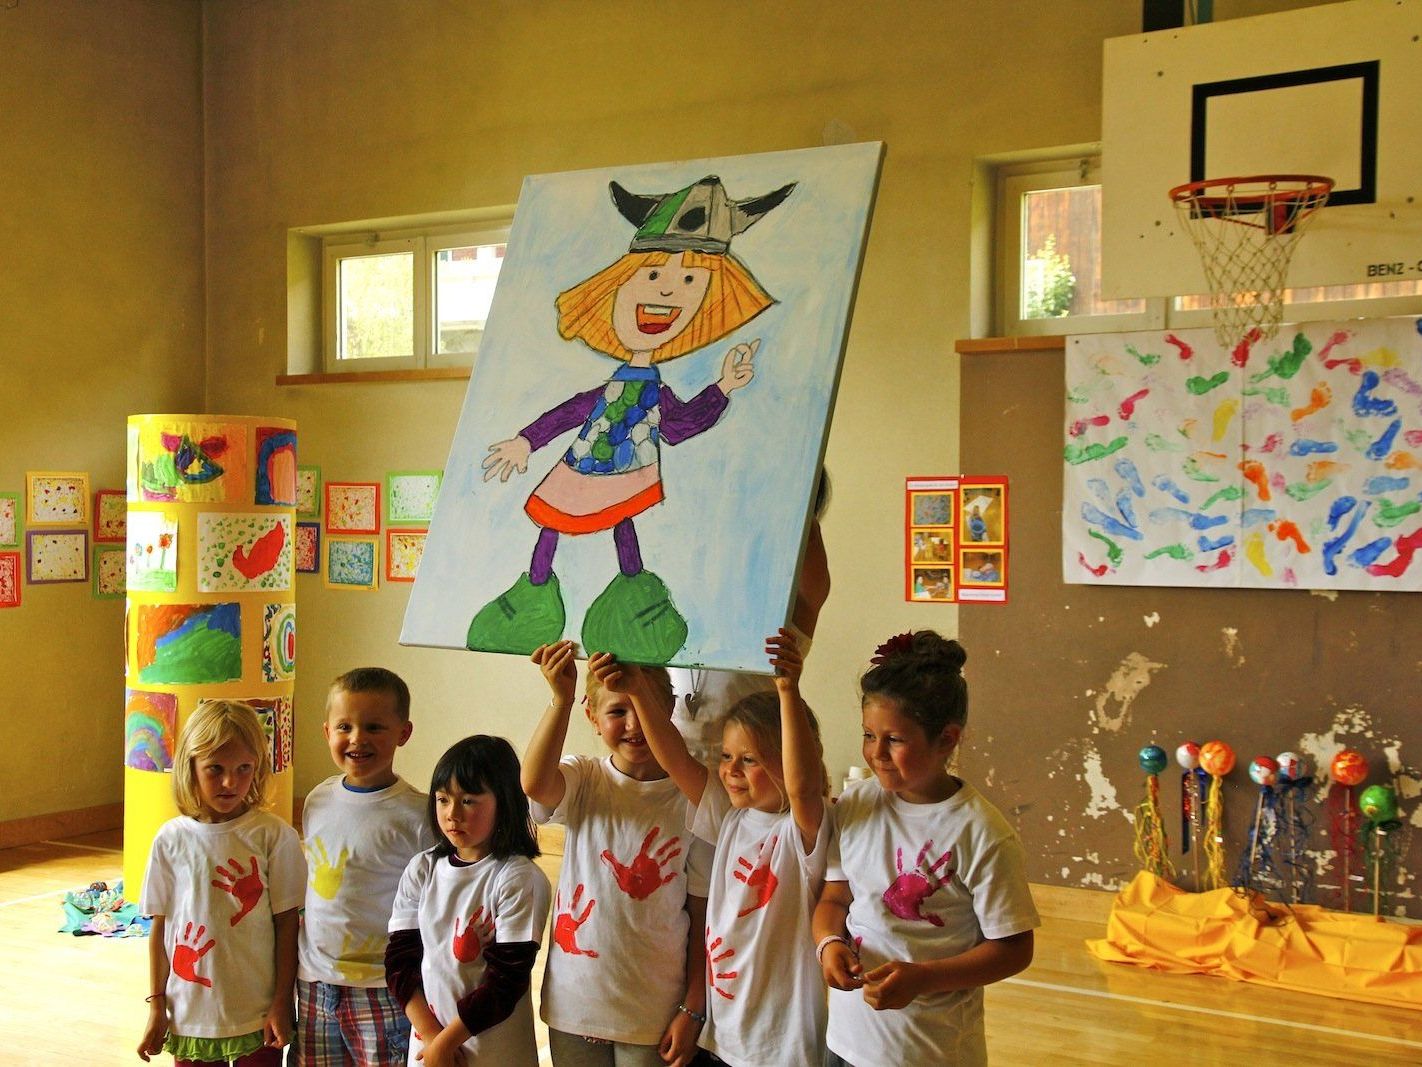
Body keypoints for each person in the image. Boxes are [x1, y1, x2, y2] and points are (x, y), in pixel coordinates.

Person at [468, 174, 795, 663]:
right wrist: (525, 441)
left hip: (626, 470)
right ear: (618, 286)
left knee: (621, 523)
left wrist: (724, 386)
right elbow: (571, 412)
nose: (669, 294)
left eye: (690, 282)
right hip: (583, 465)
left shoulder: (655, 391)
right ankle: (534, 592)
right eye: (655, 277)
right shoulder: (612, 387)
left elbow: (681, 427)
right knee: (554, 520)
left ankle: (633, 593)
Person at [592, 628, 830, 1067]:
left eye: (750, 759)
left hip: (782, 1040)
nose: (731, 771)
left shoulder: (802, 831)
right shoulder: (731, 818)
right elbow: (676, 758)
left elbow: (801, 786)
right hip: (724, 1031)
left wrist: (788, 691)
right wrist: (639, 691)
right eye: (726, 757)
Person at [813, 632, 1039, 1067]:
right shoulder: (857, 804)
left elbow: (1014, 949)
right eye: (868, 735)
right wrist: (828, 944)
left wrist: (923, 978)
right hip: (844, 1042)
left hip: (927, 1052)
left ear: (947, 739)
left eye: (894, 739)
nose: (876, 753)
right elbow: (835, 897)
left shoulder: (982, 833)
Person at [524, 640, 712, 1067]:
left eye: (642, 707)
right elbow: (535, 785)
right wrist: (561, 700)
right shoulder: (584, 776)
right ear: (592, 715)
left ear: (668, 710)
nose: (632, 725)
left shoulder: (693, 798)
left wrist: (693, 1006)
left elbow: (702, 914)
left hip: (654, 1010)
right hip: (575, 1002)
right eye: (616, 711)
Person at [137, 700, 307, 1066]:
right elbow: (159, 927)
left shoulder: (273, 836)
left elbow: (287, 922)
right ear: (191, 767)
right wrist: (157, 1004)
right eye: (215, 768)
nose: (231, 782)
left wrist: (281, 1002)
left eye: (244, 768)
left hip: (257, 1013)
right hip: (190, 1014)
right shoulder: (170, 840)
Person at [294, 668, 434, 1066]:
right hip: (316, 984)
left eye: (374, 726)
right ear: (327, 732)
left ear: (403, 733)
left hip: (383, 988)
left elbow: (431, 905)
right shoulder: (317, 800)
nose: (358, 738)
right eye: (345, 726)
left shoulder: (418, 815)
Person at [384, 735, 552, 1067]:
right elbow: (399, 963)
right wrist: (433, 1040)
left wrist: (446, 1043)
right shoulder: (422, 868)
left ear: (504, 801)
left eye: (469, 801)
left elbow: (507, 980)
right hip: (430, 1048)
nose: (452, 814)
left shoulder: (518, 877)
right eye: (443, 799)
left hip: (495, 1053)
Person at [669, 470, 831, 768]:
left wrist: (783, 476)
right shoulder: (673, 605)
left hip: (754, 776)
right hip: (675, 772)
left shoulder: (783, 610)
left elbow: (807, 542)